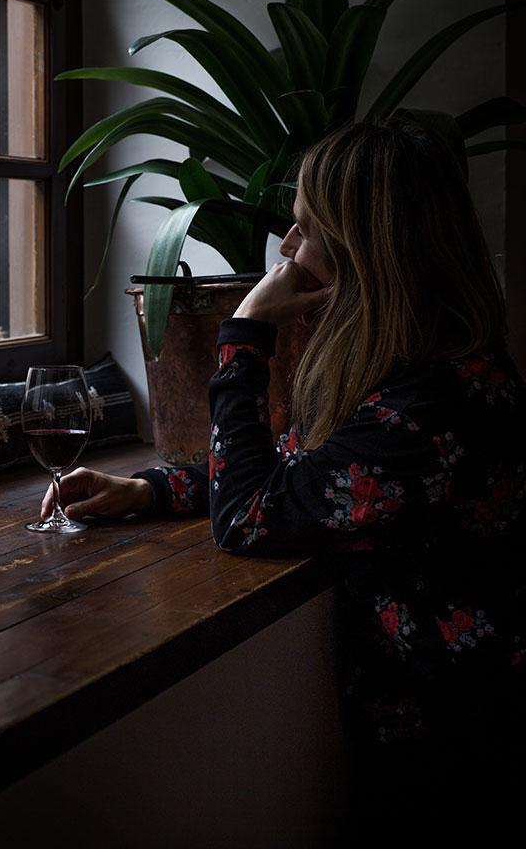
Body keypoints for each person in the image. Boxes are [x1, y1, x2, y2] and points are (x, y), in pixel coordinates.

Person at [44, 118, 526, 840]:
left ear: (368, 249)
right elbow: (310, 480)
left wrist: (242, 334)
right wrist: (149, 490)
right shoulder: (418, 373)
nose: (286, 250)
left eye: (306, 228)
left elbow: (251, 519)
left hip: (461, 742)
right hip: (438, 722)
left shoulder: (432, 407)